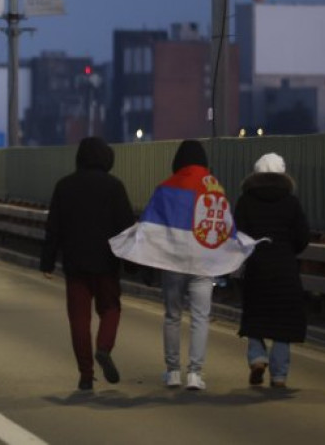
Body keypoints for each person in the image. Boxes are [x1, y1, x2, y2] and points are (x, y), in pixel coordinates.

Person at [110, 140, 260, 391]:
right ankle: (195, 373)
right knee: (200, 318)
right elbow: (225, 226)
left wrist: (144, 260)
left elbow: (151, 227)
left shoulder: (166, 187)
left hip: (174, 262)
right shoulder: (215, 189)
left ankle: (172, 372)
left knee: (172, 316)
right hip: (204, 263)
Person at [40, 137, 136, 391]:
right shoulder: (114, 187)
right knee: (111, 309)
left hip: (75, 264)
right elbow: (126, 228)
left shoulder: (64, 186)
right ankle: (103, 347)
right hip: (106, 263)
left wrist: (47, 262)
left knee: (79, 319)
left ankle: (85, 375)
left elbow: (53, 228)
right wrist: (132, 264)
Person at [235, 152, 310, 389]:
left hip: (257, 268)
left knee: (255, 316)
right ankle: (279, 376)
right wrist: (288, 250)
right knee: (283, 323)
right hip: (285, 268)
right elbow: (303, 236)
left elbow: (237, 234)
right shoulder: (291, 202)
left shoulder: (245, 201)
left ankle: (257, 358)